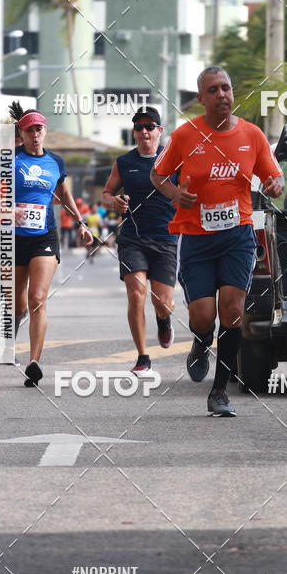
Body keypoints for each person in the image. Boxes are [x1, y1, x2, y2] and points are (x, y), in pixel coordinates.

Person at [150, 67, 285, 417]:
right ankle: (199, 342)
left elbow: (274, 175)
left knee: (233, 310)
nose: (221, 95)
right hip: (197, 239)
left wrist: (275, 185)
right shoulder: (185, 135)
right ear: (201, 98)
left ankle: (220, 391)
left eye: (226, 87)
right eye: (213, 90)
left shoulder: (251, 135)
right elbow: (158, 174)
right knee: (202, 316)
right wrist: (175, 195)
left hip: (237, 236)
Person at [0, 104, 93, 387]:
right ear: (21, 134)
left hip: (44, 237)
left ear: (45, 131)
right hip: (13, 239)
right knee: (16, 301)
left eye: (39, 129)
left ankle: (34, 362)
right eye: (29, 130)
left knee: (38, 298)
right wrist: (6, 209)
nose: (35, 135)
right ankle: (12, 325)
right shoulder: (6, 161)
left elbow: (62, 192)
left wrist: (81, 222)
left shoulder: (56, 163)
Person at [102, 107, 177, 375]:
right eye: (138, 127)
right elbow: (106, 193)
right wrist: (113, 202)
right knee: (136, 294)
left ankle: (164, 319)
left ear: (159, 130)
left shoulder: (175, 160)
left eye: (149, 126)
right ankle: (143, 357)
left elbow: (190, 191)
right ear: (134, 132)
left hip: (166, 238)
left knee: (163, 302)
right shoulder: (124, 162)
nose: (143, 131)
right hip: (133, 238)